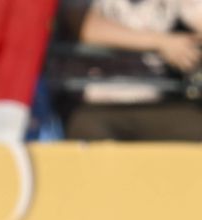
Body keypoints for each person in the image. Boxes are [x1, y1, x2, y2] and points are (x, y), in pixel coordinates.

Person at [59, 0, 202, 140]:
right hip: (90, 105)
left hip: (155, 103)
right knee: (91, 136)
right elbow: (85, 27)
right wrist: (161, 42)